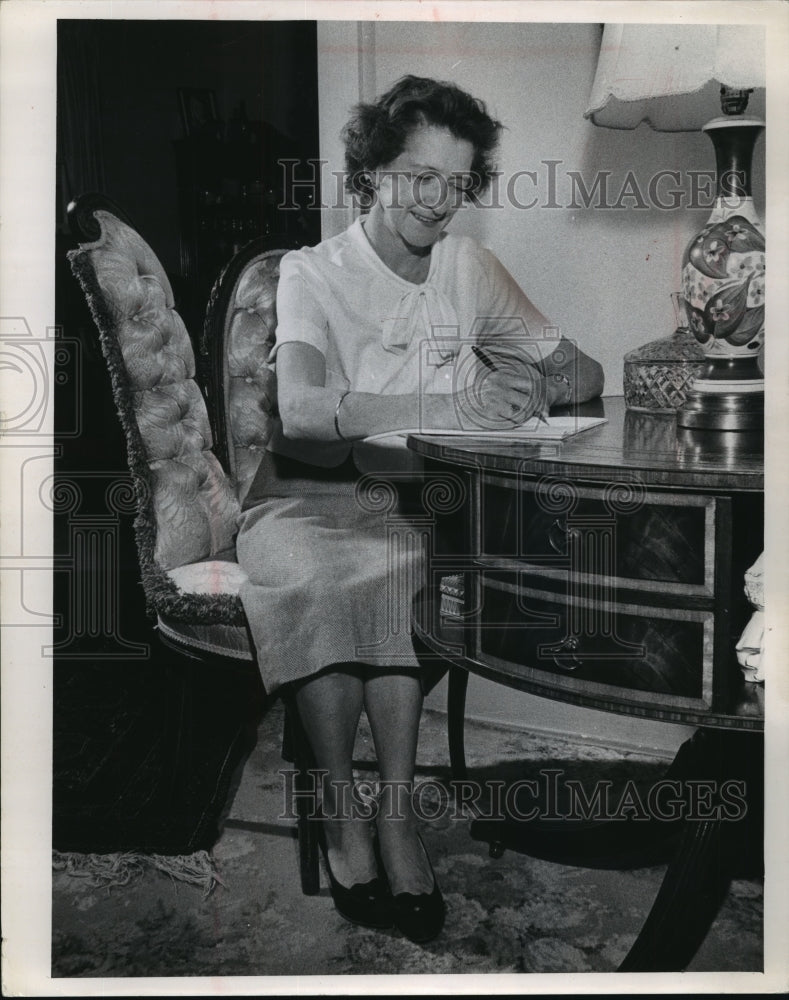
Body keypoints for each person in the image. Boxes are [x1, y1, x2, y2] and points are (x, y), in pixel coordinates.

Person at [236, 75, 604, 943]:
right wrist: (448, 406)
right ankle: (338, 804)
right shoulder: (311, 274)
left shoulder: (467, 268)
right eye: (415, 176)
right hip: (302, 501)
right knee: (328, 580)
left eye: (455, 181)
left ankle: (394, 813)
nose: (436, 201)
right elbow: (301, 412)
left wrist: (522, 378)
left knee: (409, 571)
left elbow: (582, 373)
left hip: (408, 505)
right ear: (370, 171)